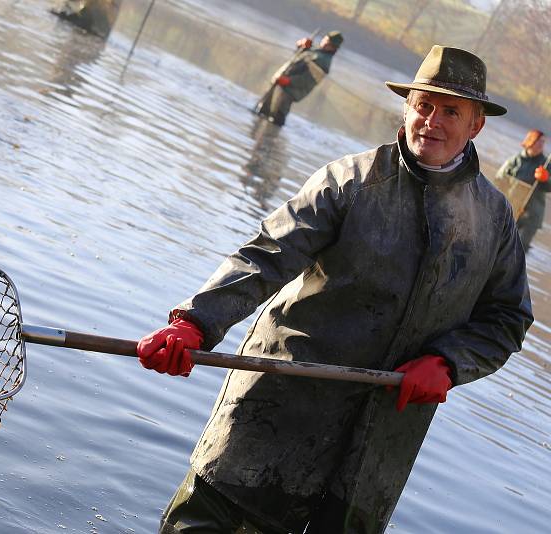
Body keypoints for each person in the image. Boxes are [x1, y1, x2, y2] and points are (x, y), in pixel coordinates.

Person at [138, 45, 533, 533]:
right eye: (423, 105)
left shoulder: (494, 221)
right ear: (407, 107)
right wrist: (194, 322)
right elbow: (266, 255)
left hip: (377, 446)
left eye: (450, 110)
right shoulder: (350, 181)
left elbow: (507, 319)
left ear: (476, 126)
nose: (432, 120)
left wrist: (449, 362)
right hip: (278, 405)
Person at [255, 31, 343, 127]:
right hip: (280, 84)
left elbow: (308, 80)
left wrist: (288, 81)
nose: (324, 42)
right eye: (325, 39)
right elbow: (297, 56)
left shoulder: (324, 61)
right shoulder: (315, 51)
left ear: (333, 47)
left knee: (276, 120)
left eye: (328, 42)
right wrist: (301, 45)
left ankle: (270, 139)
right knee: (261, 113)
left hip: (289, 92)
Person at [495, 129, 551, 251]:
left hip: (532, 216)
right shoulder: (514, 161)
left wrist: (545, 179)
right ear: (530, 141)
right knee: (500, 246)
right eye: (539, 141)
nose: (542, 145)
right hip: (511, 210)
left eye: (543, 142)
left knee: (519, 250)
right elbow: (499, 181)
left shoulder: (546, 164)